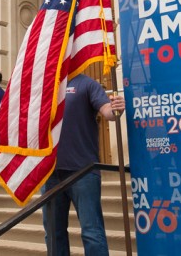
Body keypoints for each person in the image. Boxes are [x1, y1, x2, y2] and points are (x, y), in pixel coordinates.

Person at [41, 73, 125, 256]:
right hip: (49, 173)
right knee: (54, 235)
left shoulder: (87, 84)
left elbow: (108, 112)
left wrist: (116, 108)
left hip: (83, 172)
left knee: (92, 233)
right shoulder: (45, 85)